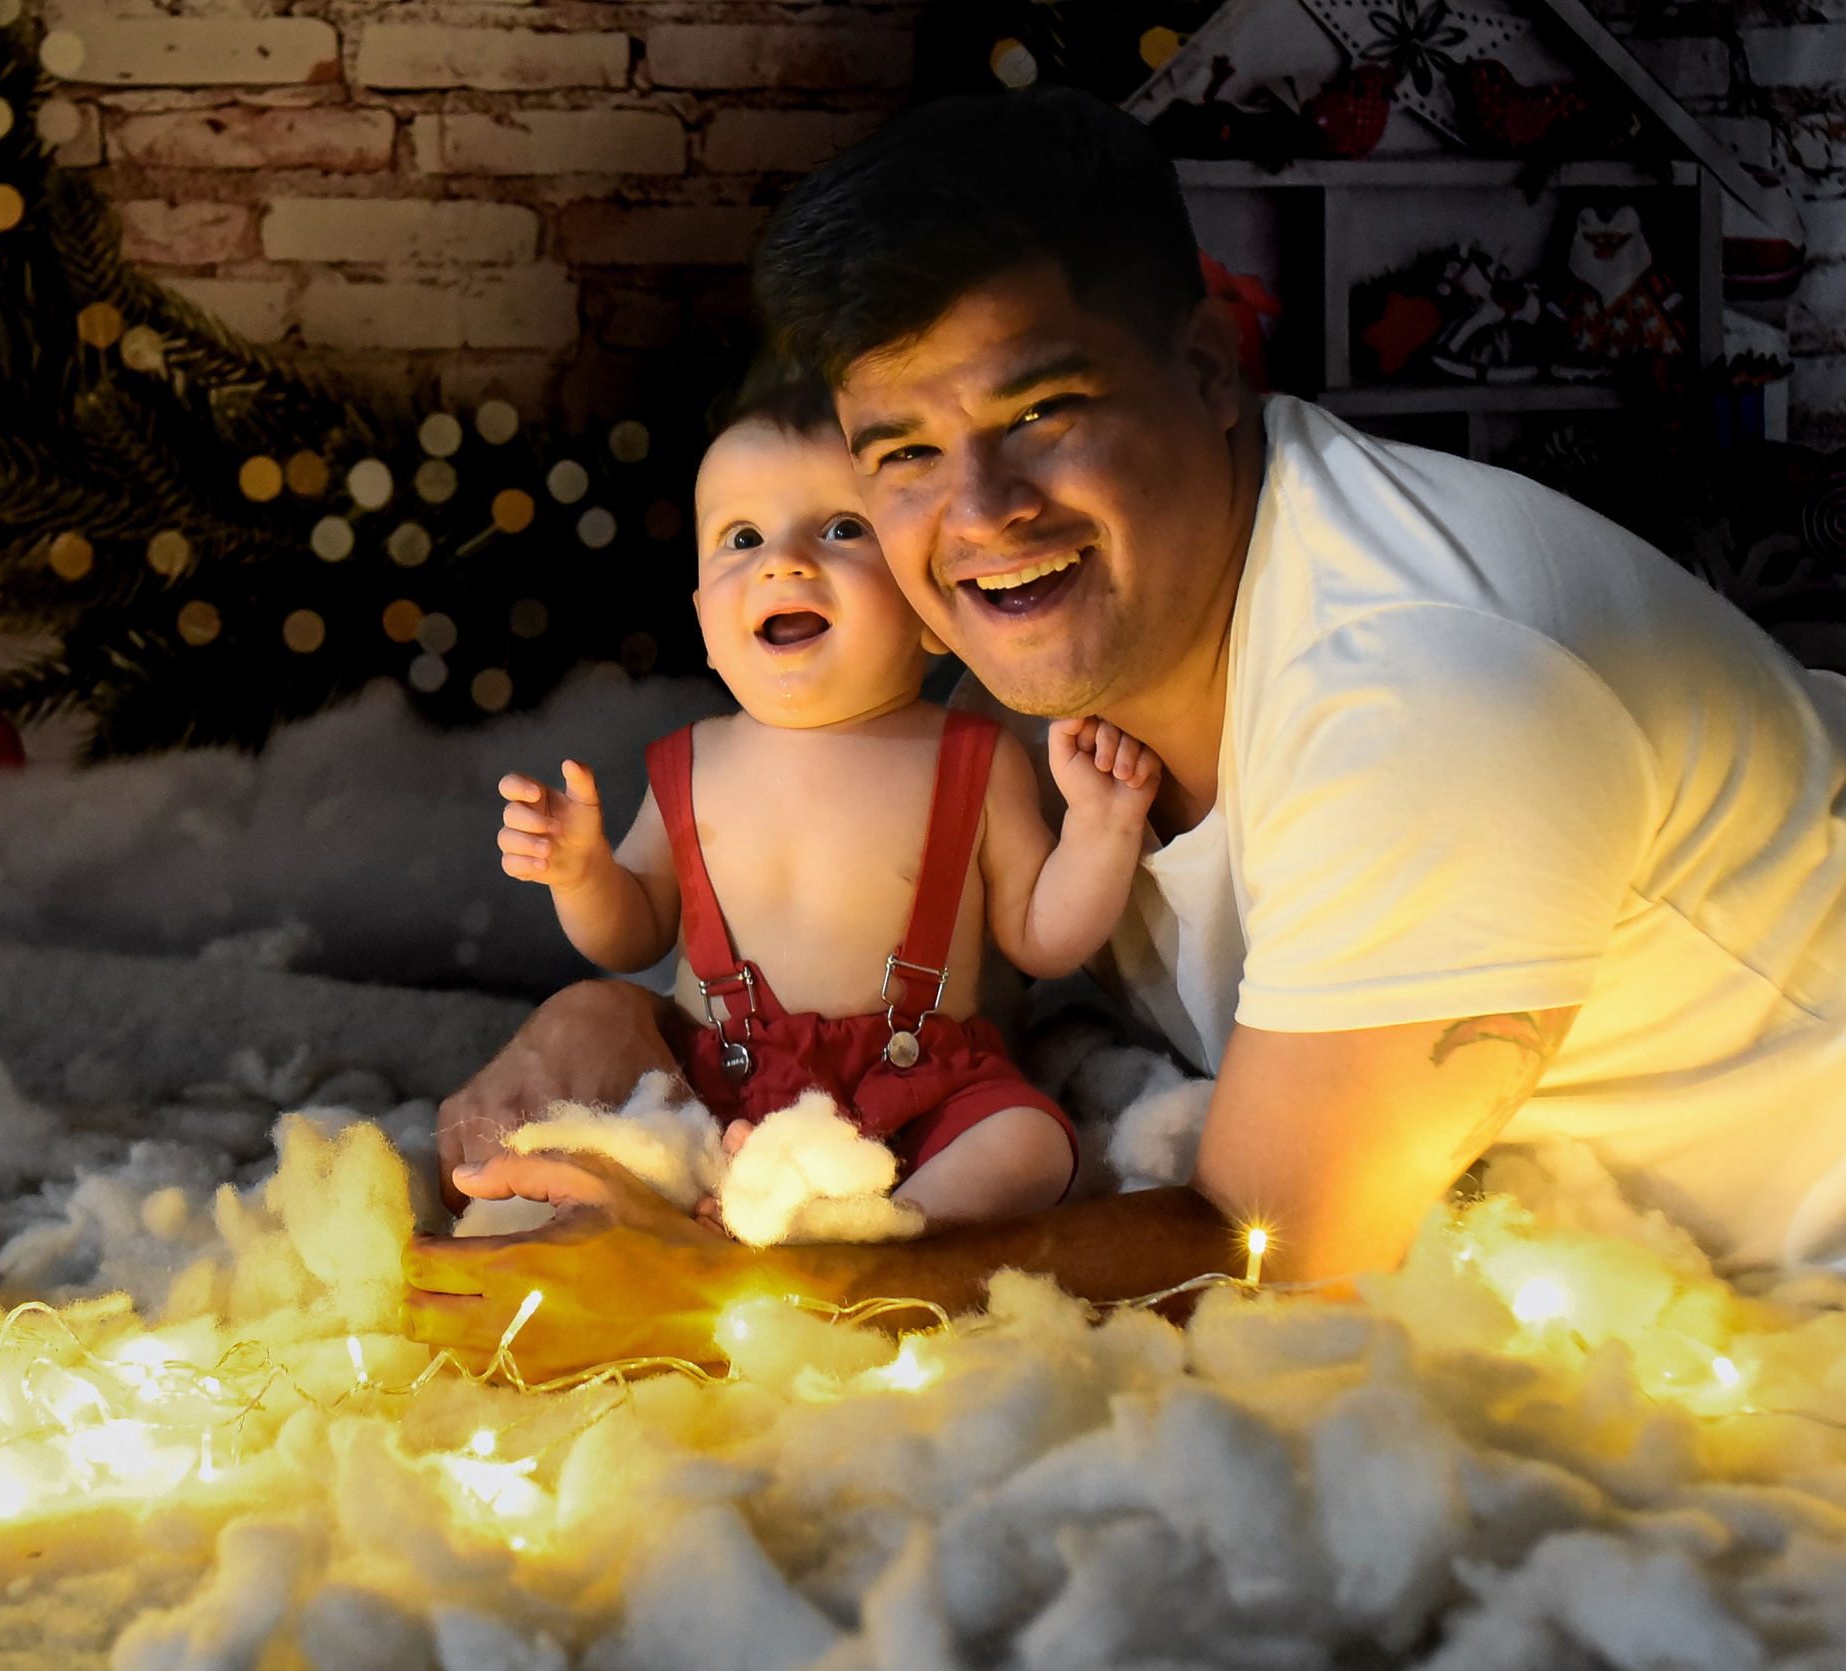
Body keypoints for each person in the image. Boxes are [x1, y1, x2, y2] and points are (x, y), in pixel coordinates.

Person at [405, 86, 1846, 1382]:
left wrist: (728, 1295)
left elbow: (1274, 1249)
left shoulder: (1423, 700)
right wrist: (618, 1012)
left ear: (1212, 370)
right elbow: (911, 1016)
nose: (979, 514)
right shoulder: (1027, 660)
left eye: (1045, 410)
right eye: (902, 454)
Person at [494, 382, 1161, 1225]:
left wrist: (1102, 828)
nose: (784, 561)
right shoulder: (690, 764)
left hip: (923, 1087)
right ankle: (756, 1217)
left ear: (930, 609)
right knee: (629, 1147)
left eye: (844, 529)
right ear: (703, 619)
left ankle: (886, 1232)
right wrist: (582, 871)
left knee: (1032, 1142)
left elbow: (1043, 937)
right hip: (728, 1094)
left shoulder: (970, 757)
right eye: (741, 537)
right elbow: (632, 935)